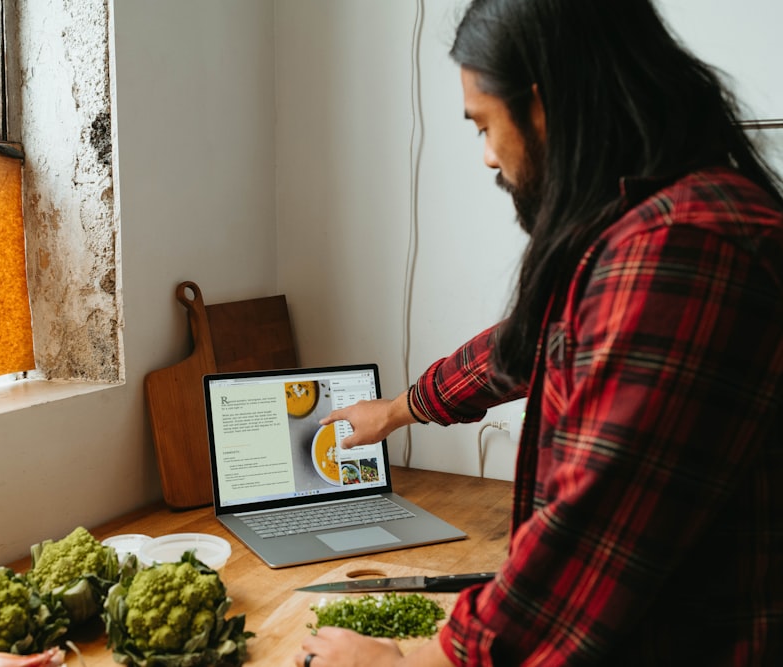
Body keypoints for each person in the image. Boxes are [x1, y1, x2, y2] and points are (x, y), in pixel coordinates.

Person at [293, 0, 783, 665]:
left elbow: (590, 537)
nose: (488, 157)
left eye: (485, 126)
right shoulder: (648, 224)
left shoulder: (680, 248)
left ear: (546, 104)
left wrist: (406, 658)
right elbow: (527, 342)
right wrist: (401, 408)